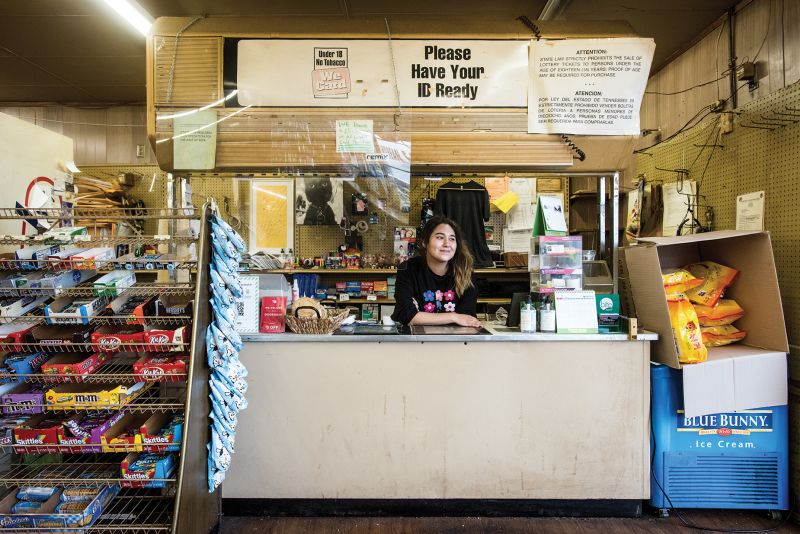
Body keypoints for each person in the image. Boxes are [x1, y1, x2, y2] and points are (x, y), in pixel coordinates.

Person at [391, 216, 481, 327]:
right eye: (440, 237)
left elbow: (467, 318)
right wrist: (454, 316)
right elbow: (406, 315)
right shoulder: (408, 268)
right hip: (414, 341)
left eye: (452, 239)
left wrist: (419, 316)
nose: (447, 244)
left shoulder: (465, 271)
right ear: (425, 242)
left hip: (453, 341)